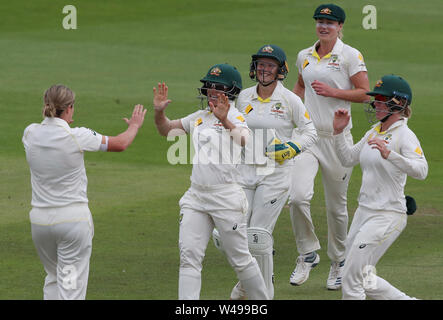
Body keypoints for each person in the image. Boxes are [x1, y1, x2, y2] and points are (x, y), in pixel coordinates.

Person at [153, 63, 269, 300]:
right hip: (196, 196)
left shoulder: (236, 117)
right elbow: (167, 131)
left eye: (218, 87)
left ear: (231, 91)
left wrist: (225, 120)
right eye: (209, 86)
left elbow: (245, 140)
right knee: (188, 257)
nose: (211, 91)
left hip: (226, 197)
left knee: (240, 258)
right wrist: (159, 112)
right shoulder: (199, 117)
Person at [22, 84, 147, 300]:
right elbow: (120, 143)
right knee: (71, 289)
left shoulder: (30, 133)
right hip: (71, 224)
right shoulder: (77, 136)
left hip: (40, 223)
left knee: (53, 277)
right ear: (69, 107)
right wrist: (134, 125)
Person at [220, 44, 317, 300]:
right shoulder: (244, 97)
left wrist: (292, 147)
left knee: (258, 237)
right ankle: (245, 286)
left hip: (275, 174)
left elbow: (311, 131)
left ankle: (262, 296)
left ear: (280, 70)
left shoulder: (290, 100)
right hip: (245, 172)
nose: (264, 70)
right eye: (261, 64)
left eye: (270, 65)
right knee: (235, 232)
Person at [288, 3, 370, 290]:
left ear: (340, 27)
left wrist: (334, 92)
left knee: (337, 208)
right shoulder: (304, 56)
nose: (324, 26)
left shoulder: (349, 56)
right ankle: (307, 253)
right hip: (309, 137)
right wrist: (292, 112)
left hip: (337, 138)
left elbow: (365, 92)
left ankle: (338, 261)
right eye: (320, 22)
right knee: (297, 196)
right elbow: (299, 87)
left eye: (330, 23)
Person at [333, 74, 428, 299]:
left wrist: (390, 154)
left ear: (398, 104)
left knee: (351, 278)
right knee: (364, 277)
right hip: (364, 212)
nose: (375, 104)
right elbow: (347, 159)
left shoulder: (405, 135)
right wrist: (339, 132)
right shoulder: (374, 131)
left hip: (387, 215)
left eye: (381, 100)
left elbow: (421, 170)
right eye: (375, 99)